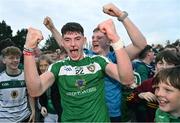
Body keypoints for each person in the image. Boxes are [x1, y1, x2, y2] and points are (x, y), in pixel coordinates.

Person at [24, 19, 134, 122]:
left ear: (84, 41)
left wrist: (115, 39)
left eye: (77, 39)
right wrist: (28, 49)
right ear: (63, 42)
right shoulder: (58, 67)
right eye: (67, 40)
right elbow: (35, 91)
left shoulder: (98, 61)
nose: (73, 44)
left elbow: (127, 79)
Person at [127, 50, 180, 122]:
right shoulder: (147, 83)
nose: (164, 67)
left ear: (176, 66)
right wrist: (139, 95)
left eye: (169, 63)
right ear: (155, 65)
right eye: (160, 63)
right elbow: (129, 100)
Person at [0, 46, 35, 122]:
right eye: (11, 58)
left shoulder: (26, 75)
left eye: (17, 57)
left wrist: (33, 111)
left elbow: (30, 94)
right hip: (4, 119)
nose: (15, 60)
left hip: (24, 117)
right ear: (4, 60)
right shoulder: (0, 78)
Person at [37, 55, 59, 122]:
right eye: (41, 65)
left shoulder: (58, 78)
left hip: (60, 113)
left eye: (46, 65)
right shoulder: (38, 79)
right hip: (48, 114)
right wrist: (42, 106)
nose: (43, 68)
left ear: (50, 65)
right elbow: (40, 97)